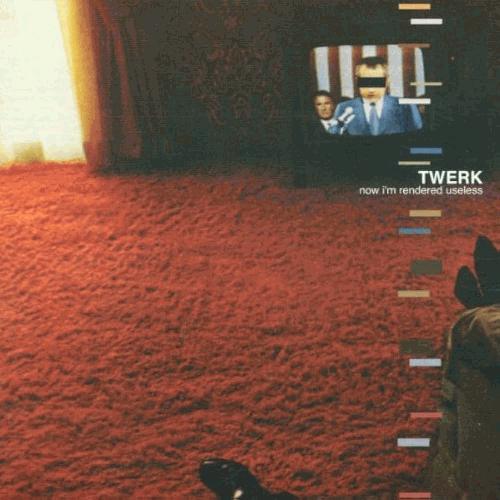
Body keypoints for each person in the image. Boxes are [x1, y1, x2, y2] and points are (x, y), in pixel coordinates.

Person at [331, 56, 423, 136]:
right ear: (357, 81)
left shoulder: (407, 107)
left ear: (387, 81)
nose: (371, 89)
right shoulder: (343, 108)